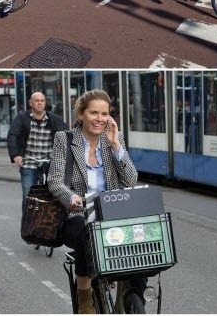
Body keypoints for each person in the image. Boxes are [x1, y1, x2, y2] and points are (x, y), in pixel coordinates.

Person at [47, 90, 143, 314]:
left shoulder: (114, 139)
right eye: (93, 113)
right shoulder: (65, 139)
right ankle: (85, 297)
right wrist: (72, 198)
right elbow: (55, 181)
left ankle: (134, 300)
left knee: (140, 243)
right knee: (83, 233)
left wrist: (116, 147)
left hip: (112, 212)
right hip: (78, 214)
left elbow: (130, 180)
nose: (100, 119)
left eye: (105, 114)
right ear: (81, 114)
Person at [7, 92, 68, 213]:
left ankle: (52, 220)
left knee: (54, 192)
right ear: (31, 103)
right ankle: (28, 223)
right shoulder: (22, 118)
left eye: (42, 100)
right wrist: (16, 155)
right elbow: (12, 135)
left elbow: (65, 134)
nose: (39, 103)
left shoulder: (53, 119)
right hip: (29, 162)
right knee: (28, 195)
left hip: (49, 163)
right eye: (36, 101)